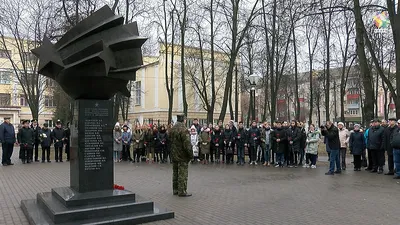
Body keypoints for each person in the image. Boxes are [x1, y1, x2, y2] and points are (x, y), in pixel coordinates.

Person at [170, 114, 192, 197]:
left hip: (174, 154)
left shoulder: (172, 129)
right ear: (184, 120)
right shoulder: (184, 129)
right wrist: (191, 155)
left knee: (175, 172)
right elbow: (187, 144)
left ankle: (175, 190)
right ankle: (182, 191)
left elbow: (170, 140)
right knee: (182, 173)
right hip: (182, 155)